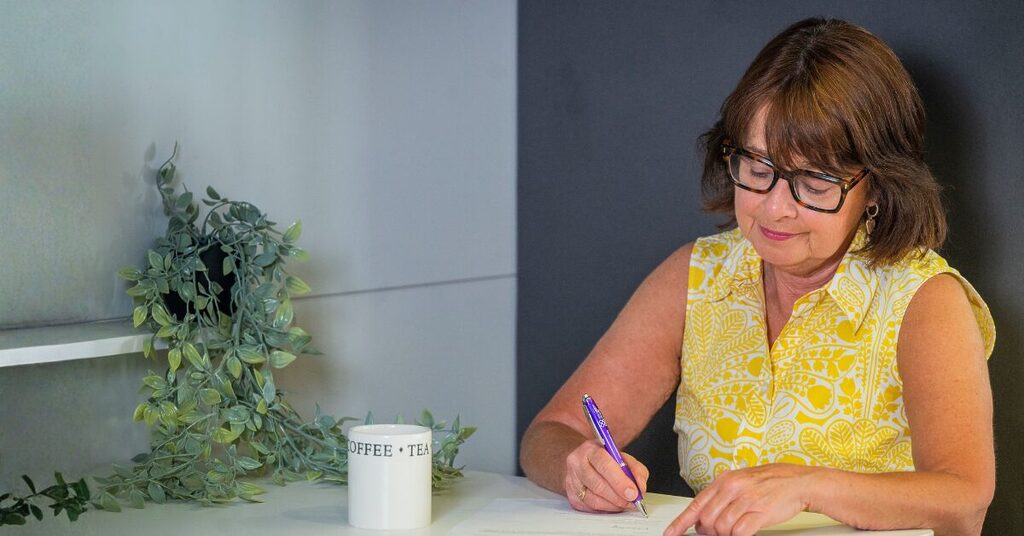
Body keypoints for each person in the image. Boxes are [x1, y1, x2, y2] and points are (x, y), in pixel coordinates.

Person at [519, 17, 995, 536]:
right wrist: (580, 466)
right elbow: (551, 432)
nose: (775, 208)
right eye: (758, 168)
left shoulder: (923, 299)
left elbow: (963, 498)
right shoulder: (696, 276)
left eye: (814, 183)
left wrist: (809, 486)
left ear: (877, 187)